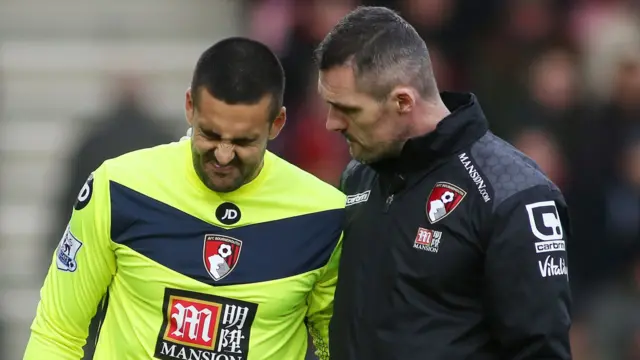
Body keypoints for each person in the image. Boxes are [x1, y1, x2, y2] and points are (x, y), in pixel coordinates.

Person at [24, 37, 345, 360]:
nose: (222, 155)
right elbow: (57, 332)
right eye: (210, 134)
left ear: (276, 124)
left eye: (244, 141)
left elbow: (337, 347)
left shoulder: (322, 216)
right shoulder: (118, 188)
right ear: (190, 106)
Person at [315, 7, 572, 360]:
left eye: (348, 109)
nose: (332, 123)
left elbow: (540, 349)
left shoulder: (513, 196)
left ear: (402, 101)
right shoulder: (358, 176)